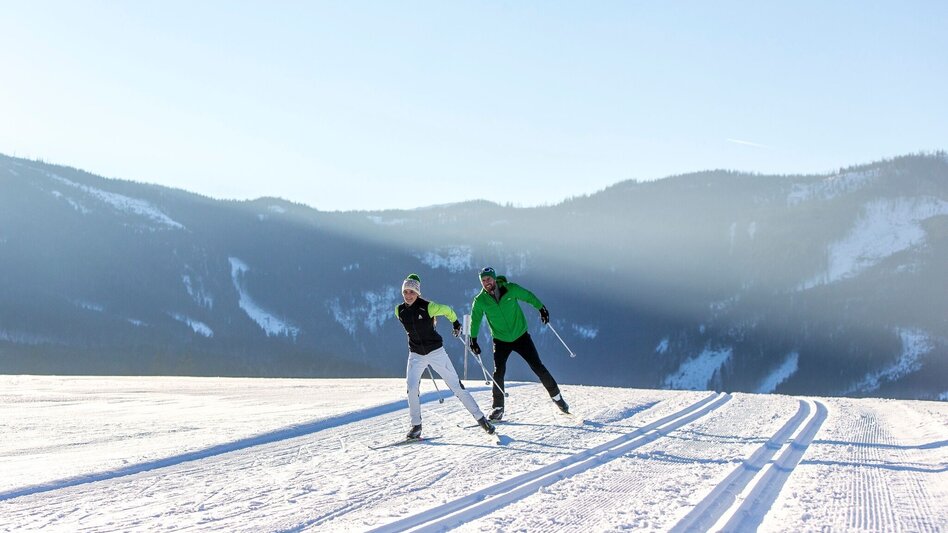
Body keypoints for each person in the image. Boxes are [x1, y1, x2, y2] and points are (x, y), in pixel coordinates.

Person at [396, 273, 495, 439]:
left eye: (412, 291)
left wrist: (456, 323)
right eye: (405, 292)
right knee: (412, 389)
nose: (408, 295)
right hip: (415, 355)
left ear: (418, 293)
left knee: (456, 386)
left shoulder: (429, 307)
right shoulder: (399, 311)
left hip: (436, 352)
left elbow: (448, 310)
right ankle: (416, 427)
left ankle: (481, 419)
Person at [469, 266, 568, 421]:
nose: (486, 283)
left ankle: (557, 398)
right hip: (500, 340)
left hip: (521, 336)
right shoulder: (480, 300)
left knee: (537, 366)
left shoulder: (511, 289)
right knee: (498, 373)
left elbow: (528, 296)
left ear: (494, 278)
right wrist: (472, 339)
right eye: (483, 281)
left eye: (488, 279)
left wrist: (541, 308)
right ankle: (498, 408)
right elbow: (475, 320)